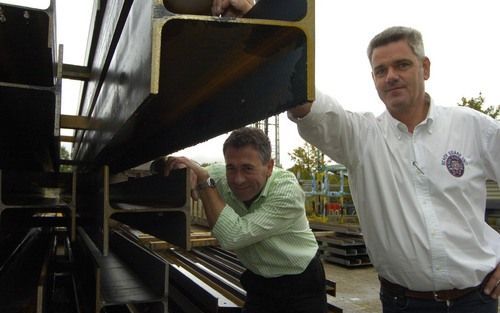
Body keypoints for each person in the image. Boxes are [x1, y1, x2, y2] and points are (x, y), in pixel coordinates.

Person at [288, 26, 500, 312]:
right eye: (380, 70)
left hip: (475, 301)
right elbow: (309, 104)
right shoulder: (360, 138)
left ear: (424, 68)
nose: (391, 77)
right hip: (404, 304)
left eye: (402, 65)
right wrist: (272, 34)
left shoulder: (472, 127)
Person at [154, 127, 327, 313]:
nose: (238, 179)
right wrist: (178, 166)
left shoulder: (287, 192)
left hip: (300, 283)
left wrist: (204, 184)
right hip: (259, 281)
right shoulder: (219, 175)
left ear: (269, 167)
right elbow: (190, 168)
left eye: (247, 168)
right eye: (231, 168)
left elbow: (232, 236)